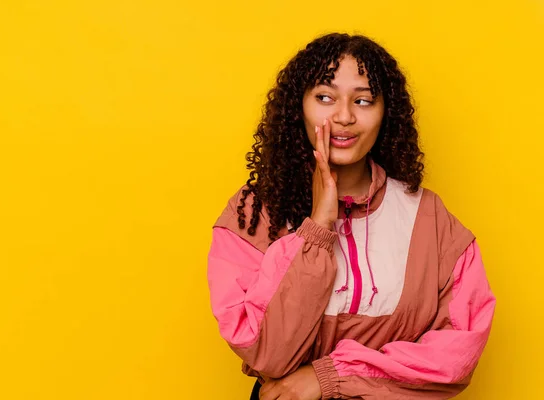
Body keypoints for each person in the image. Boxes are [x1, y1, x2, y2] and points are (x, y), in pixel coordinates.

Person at [207, 32, 496, 400]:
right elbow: (267, 353)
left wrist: (328, 376)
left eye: (363, 100)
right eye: (325, 98)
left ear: (385, 113)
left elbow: (457, 354)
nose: (344, 117)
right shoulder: (253, 214)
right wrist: (318, 228)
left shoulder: (428, 217)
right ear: (299, 107)